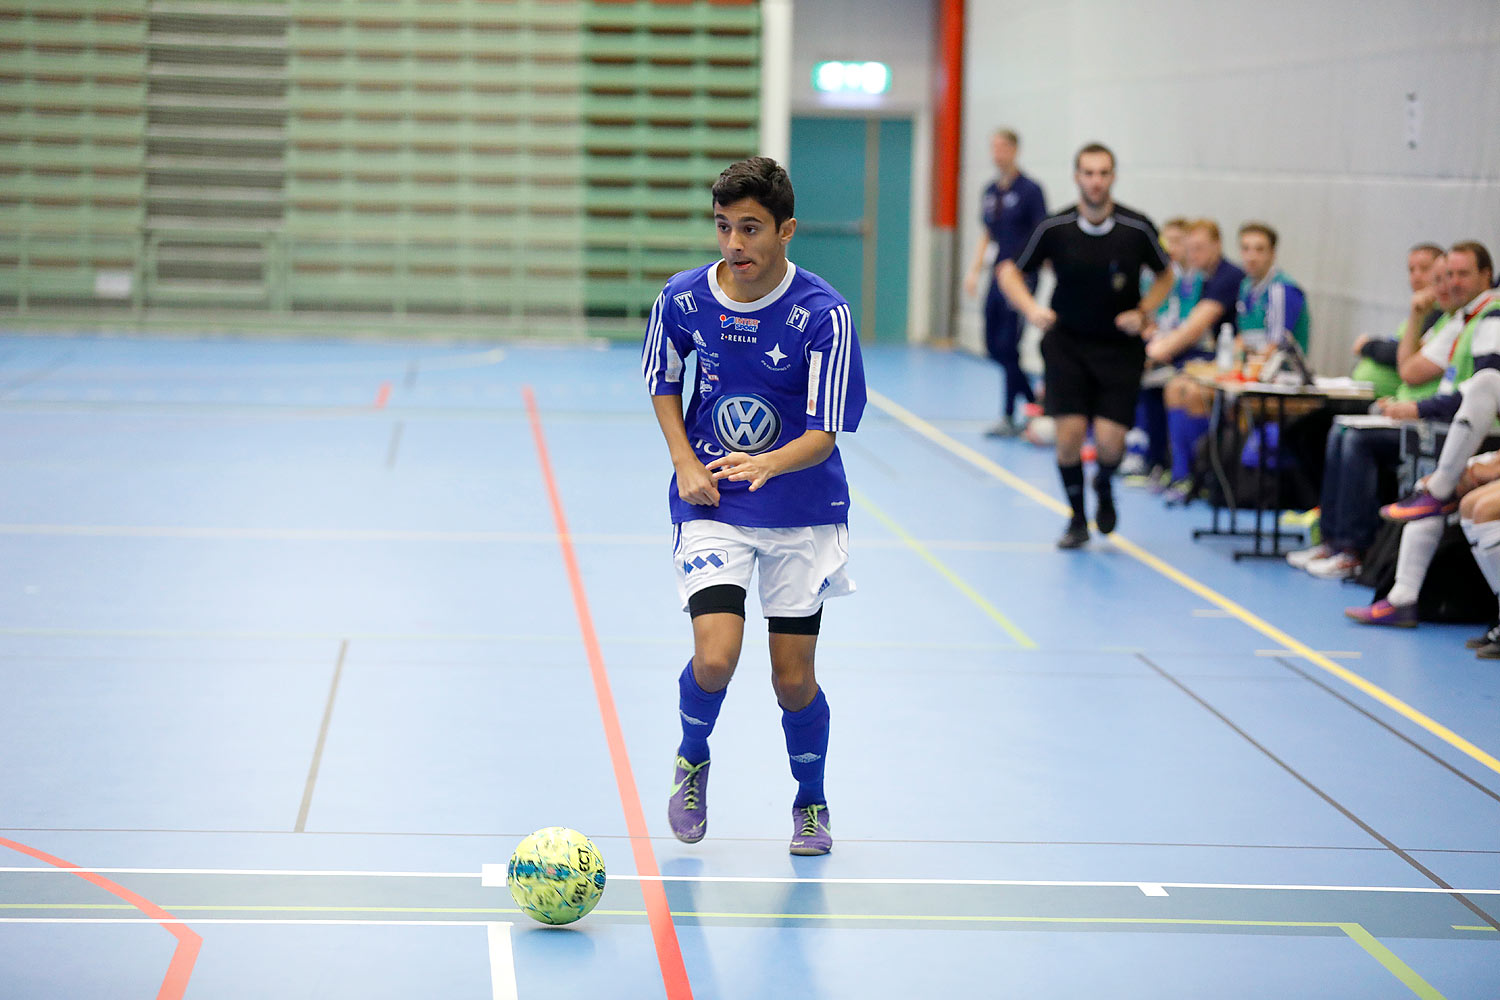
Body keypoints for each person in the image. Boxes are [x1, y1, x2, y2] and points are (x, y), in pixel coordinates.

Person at [642, 156, 866, 856]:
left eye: (750, 229)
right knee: (716, 657)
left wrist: (767, 462)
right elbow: (662, 376)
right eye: (723, 228)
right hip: (714, 501)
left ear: (786, 230)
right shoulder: (683, 300)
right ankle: (691, 758)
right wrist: (683, 460)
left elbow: (824, 430)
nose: (734, 245)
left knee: (792, 678)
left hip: (799, 505)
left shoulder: (823, 315)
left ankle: (811, 801)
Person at [998, 142, 1173, 548]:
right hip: (1067, 345)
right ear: (1077, 177)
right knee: (1070, 436)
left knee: (1111, 443)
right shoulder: (1054, 227)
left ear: (1112, 177)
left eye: (1103, 173)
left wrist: (1144, 311)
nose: (1096, 181)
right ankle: (1077, 518)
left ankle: (1105, 484)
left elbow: (1166, 275)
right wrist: (1031, 308)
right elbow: (1009, 271)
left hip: (1119, 348)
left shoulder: (1137, 228)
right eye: (1088, 173)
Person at [1345, 241, 1499, 626]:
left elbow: (1482, 390)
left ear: (1486, 276)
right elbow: (1411, 371)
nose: (1452, 283)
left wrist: (1419, 410)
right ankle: (1402, 600)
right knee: (1435, 492)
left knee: (1460, 496)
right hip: (1467, 437)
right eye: (1447, 276)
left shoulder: (1492, 318)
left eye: (1463, 275)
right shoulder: (1462, 318)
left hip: (1485, 436)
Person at [1288, 248, 1452, 579]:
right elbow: (1407, 362)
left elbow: (1407, 366)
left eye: (1433, 274)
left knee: (1355, 441)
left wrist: (1411, 406)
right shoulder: (1424, 317)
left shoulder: (1453, 321)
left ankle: (1354, 547)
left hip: (1428, 421)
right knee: (1337, 430)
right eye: (1413, 270)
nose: (1420, 279)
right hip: (1400, 410)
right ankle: (1332, 539)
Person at [963, 129, 1048, 436]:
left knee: (1010, 344)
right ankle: (1034, 398)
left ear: (1014, 150)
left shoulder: (1030, 190)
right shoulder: (990, 192)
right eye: (993, 147)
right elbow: (988, 234)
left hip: (1021, 277)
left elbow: (1041, 235)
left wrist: (1028, 273)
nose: (997, 153)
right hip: (996, 275)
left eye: (1002, 147)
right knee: (993, 345)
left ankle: (1011, 414)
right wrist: (974, 271)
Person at [1154, 220, 1247, 499]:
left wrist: (1158, 350)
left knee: (1193, 393)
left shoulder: (1228, 277)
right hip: (1215, 357)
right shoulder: (1197, 279)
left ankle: (1201, 474)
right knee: (1174, 388)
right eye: (1189, 248)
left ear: (1217, 246)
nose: (1192, 254)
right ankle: (1180, 471)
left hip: (1233, 361)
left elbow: (1195, 325)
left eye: (1199, 248)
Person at [1122, 217, 1196, 484]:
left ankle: (1163, 461)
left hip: (1183, 353)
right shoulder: (1153, 278)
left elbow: (1189, 327)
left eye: (1178, 241)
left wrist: (1160, 346)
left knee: (1154, 379)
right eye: (1167, 242)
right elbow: (1148, 317)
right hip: (1159, 347)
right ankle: (1138, 449)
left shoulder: (1193, 280)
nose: (1171, 247)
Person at [1349, 244, 1446, 399]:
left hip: (1396, 400)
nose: (1416, 276)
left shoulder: (1440, 312)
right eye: (1411, 270)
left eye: (1424, 269)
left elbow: (1401, 353)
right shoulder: (1419, 311)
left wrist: (1367, 345)